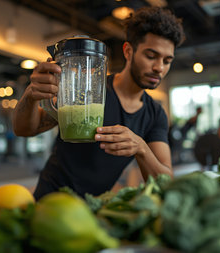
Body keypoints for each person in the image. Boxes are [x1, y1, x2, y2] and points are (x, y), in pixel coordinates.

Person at [13, 6, 185, 200]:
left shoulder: (155, 114)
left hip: (94, 210)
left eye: (167, 60)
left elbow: (166, 181)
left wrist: (141, 148)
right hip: (51, 200)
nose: (159, 68)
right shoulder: (90, 91)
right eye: (151, 56)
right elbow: (24, 130)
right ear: (128, 51)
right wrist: (30, 95)